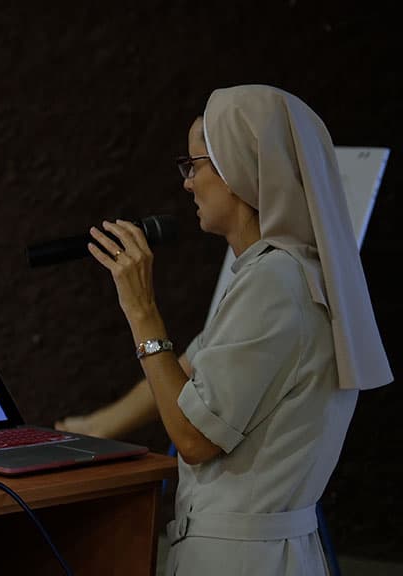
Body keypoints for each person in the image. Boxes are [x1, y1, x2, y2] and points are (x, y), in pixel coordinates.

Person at [55, 85, 392, 575]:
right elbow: (191, 364)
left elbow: (193, 438)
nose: (188, 184)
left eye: (194, 165)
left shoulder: (275, 282)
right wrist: (93, 428)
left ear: (239, 168)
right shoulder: (288, 273)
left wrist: (141, 308)